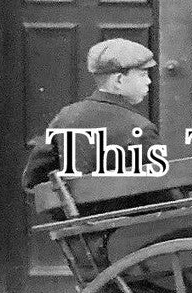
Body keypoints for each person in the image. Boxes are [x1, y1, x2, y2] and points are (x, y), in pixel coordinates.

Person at [22, 38, 160, 190]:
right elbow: (162, 192)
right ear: (119, 80)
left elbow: (33, 180)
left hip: (75, 213)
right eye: (142, 75)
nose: (149, 81)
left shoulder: (65, 118)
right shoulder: (141, 129)